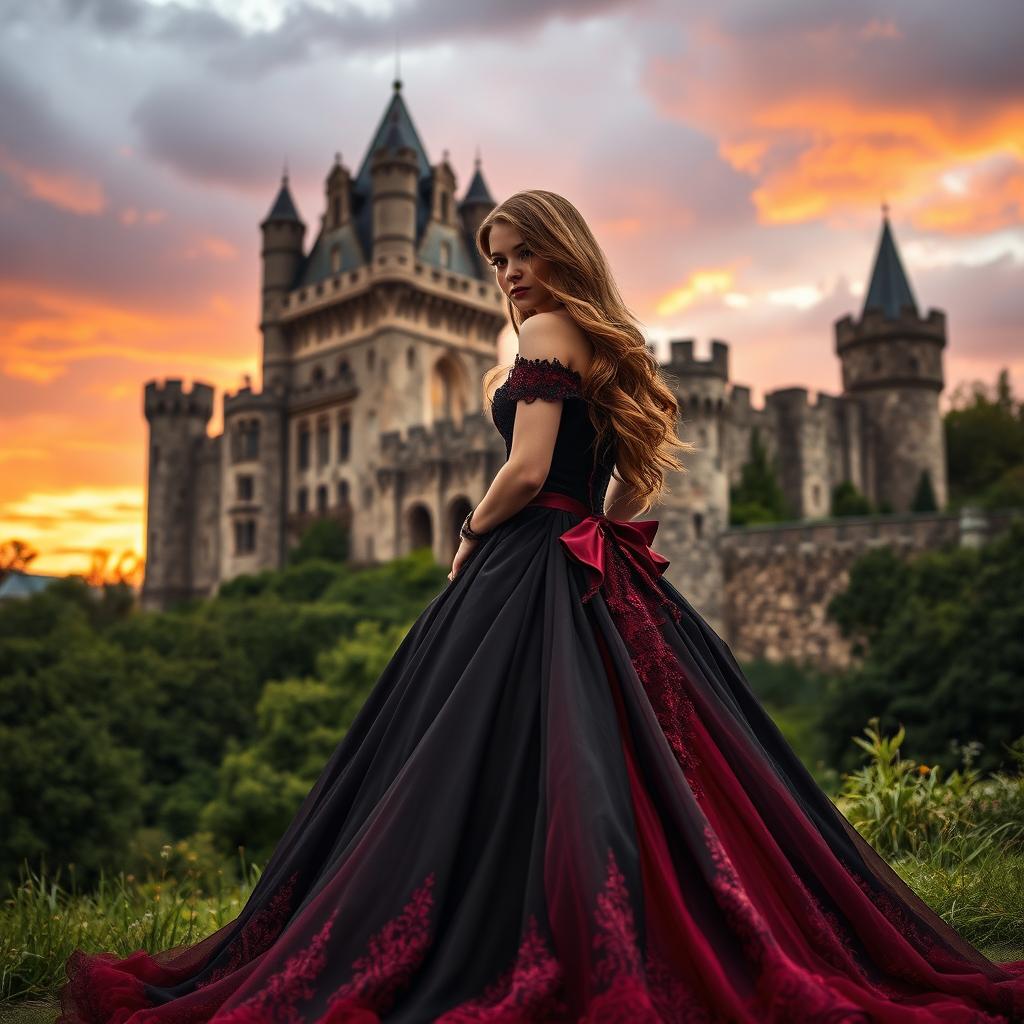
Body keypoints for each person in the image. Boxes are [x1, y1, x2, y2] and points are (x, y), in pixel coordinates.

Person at [58, 190, 1024, 1024]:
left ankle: (493, 922)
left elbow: (524, 468)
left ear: (565, 251)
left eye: (525, 254)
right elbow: (626, 486)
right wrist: (594, 534)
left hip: (522, 560)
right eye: (499, 260)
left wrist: (473, 533)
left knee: (463, 756)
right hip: (578, 558)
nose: (511, 275)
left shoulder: (550, 334)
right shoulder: (607, 343)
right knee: (611, 760)